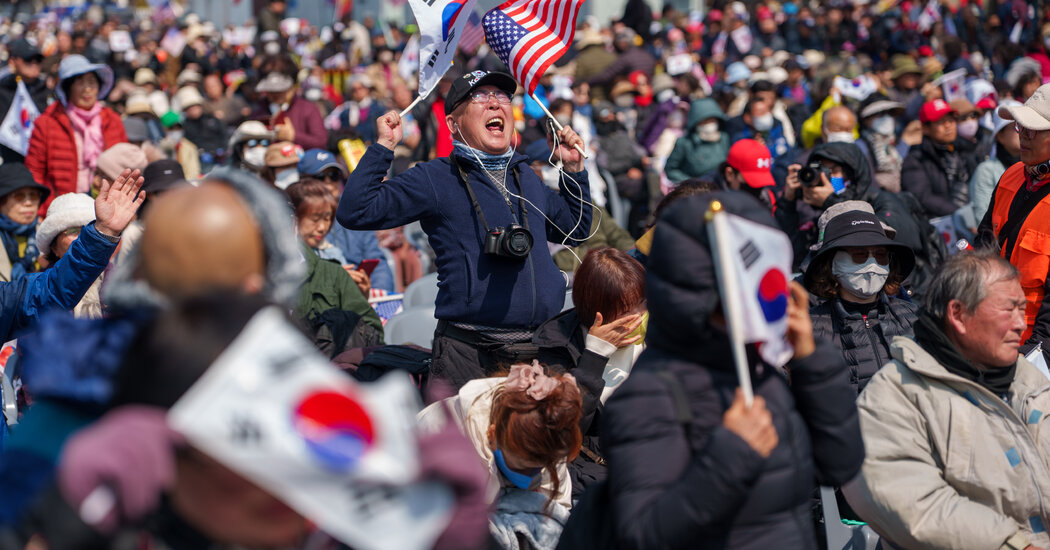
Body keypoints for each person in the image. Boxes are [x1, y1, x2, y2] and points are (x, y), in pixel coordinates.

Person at [592, 191, 863, 549]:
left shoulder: (761, 373)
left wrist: (813, 361)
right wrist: (730, 456)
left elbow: (840, 465)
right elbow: (642, 533)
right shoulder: (650, 396)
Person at [337, 70, 591, 389]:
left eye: (502, 96)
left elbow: (575, 230)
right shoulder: (435, 177)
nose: (495, 104)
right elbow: (355, 211)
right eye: (480, 97)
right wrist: (384, 147)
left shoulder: (526, 176)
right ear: (453, 124)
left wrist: (574, 170)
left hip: (539, 353)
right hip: (470, 356)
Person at [842, 251, 1050, 550]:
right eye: (1009, 310)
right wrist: (1013, 545)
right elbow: (912, 502)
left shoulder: (1028, 377)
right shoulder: (895, 395)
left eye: (1023, 309)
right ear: (958, 315)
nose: (1021, 323)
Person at [417, 361, 582, 547]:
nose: (530, 476)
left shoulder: (549, 431)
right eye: (520, 466)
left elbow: (557, 510)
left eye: (538, 467)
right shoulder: (440, 430)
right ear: (492, 434)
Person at [533, 247, 645, 497]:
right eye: (627, 310)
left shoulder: (655, 335)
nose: (638, 316)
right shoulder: (559, 347)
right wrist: (594, 356)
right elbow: (564, 435)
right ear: (598, 312)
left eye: (643, 304)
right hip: (596, 476)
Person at [803, 202, 917, 394]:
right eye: (859, 254)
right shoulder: (809, 330)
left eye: (881, 255)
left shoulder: (914, 317)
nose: (872, 264)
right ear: (832, 263)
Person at [977, 83, 1050, 356]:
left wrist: (1036, 353)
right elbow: (985, 239)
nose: (1023, 136)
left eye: (1033, 129)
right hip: (993, 330)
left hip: (1033, 347)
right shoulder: (1012, 174)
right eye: (1020, 127)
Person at [26, 55, 128, 215]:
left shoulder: (112, 120)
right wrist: (45, 209)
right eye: (80, 82)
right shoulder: (47, 122)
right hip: (61, 210)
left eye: (91, 82)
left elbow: (124, 166)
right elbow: (35, 172)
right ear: (67, 88)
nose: (87, 89)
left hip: (106, 208)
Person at [901, 99, 979, 217]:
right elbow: (923, 197)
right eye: (940, 122)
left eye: (951, 120)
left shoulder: (966, 149)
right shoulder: (916, 159)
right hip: (939, 224)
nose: (948, 126)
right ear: (925, 128)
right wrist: (959, 214)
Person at [971, 99, 1022, 223]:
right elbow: (984, 219)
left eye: (1026, 126)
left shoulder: (1037, 165)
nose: (1023, 132)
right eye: (1016, 127)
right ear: (1000, 136)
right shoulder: (986, 171)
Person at [0, 39, 48, 163]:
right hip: (9, 165)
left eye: (38, 60)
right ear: (12, 61)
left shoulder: (48, 92)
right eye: (28, 59)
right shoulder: (3, 90)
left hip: (40, 163)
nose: (34, 64)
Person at [0, 164, 50, 282]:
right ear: (1, 201)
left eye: (33, 195)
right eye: (19, 196)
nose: (28, 203)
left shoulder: (49, 236)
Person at [256, 71, 327, 151]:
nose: (275, 95)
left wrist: (293, 136)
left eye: (280, 91)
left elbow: (320, 141)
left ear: (291, 89)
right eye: (271, 91)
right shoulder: (259, 111)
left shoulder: (308, 108)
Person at [663, 98, 729, 183]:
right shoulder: (684, 143)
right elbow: (670, 169)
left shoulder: (723, 138)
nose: (709, 124)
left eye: (712, 120)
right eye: (705, 121)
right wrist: (693, 182)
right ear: (695, 122)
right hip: (694, 190)